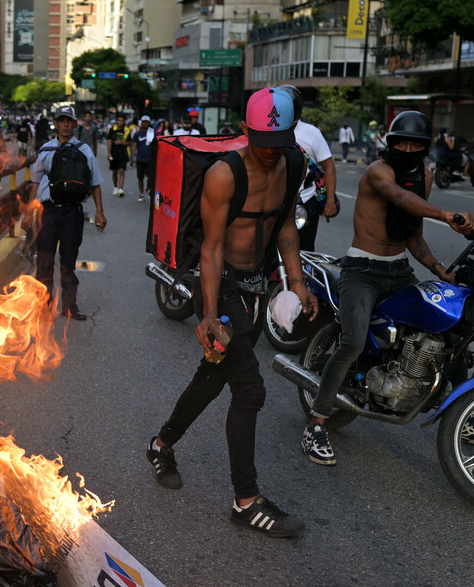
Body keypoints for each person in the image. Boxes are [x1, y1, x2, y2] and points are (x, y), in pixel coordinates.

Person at [147, 88, 316, 538]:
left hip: (256, 289)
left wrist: (297, 282)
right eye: (261, 143)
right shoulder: (225, 175)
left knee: (212, 376)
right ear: (245, 131)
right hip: (220, 287)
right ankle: (246, 501)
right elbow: (212, 246)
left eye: (277, 144)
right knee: (250, 390)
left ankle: (161, 445)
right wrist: (206, 314)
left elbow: (284, 225)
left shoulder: (294, 163)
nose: (268, 154)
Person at [301, 111, 474, 466]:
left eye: (415, 144)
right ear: (390, 143)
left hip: (399, 271)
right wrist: (445, 215)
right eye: (401, 143)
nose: (407, 148)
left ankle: (462, 413)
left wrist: (441, 271)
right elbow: (400, 198)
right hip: (361, 271)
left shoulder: (424, 177)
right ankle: (316, 423)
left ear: (426, 147)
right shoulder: (377, 171)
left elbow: (412, 234)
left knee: (449, 331)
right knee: (351, 342)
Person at [31, 105, 106, 320]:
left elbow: (95, 183)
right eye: (61, 120)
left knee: (68, 261)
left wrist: (100, 212)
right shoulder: (45, 150)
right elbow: (35, 182)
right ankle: (43, 305)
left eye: (68, 121)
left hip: (72, 214)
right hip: (48, 213)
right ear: (55, 123)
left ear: (74, 124)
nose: (65, 124)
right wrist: (29, 212)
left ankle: (70, 307)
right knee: (44, 260)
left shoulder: (84, 151)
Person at [279, 85, 338, 250]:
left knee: (304, 250)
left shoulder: (311, 133)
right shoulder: (269, 130)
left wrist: (330, 201)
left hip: (305, 203)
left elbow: (329, 167)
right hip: (274, 201)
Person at [130, 115, 156, 202]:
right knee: (140, 178)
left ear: (149, 123)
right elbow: (134, 146)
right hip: (140, 159)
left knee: (151, 177)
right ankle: (141, 194)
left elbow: (157, 146)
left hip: (150, 159)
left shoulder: (152, 133)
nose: (145, 123)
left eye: (147, 122)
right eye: (143, 122)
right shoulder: (137, 134)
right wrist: (132, 158)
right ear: (141, 123)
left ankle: (148, 188)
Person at [106, 114, 129, 197]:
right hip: (114, 153)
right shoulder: (113, 130)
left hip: (123, 154)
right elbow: (109, 141)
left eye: (122, 121)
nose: (120, 122)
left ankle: (121, 188)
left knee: (122, 171)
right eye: (119, 120)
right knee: (114, 172)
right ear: (117, 121)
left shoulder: (127, 131)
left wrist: (122, 143)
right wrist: (108, 153)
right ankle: (115, 187)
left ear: (124, 122)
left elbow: (129, 142)